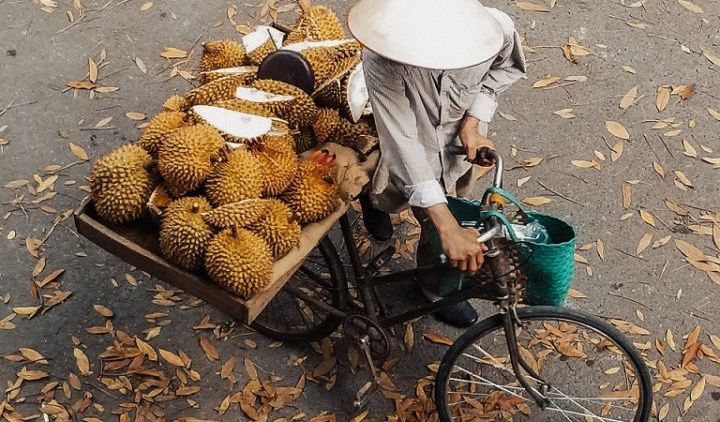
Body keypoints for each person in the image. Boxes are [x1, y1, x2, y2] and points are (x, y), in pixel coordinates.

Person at [348, 0, 527, 327]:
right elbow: (401, 139)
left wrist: (472, 123)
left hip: (458, 149)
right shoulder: (383, 58)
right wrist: (445, 224)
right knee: (423, 211)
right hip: (412, 143)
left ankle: (433, 290)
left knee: (451, 212)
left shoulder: (495, 30)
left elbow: (503, 69)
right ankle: (372, 202)